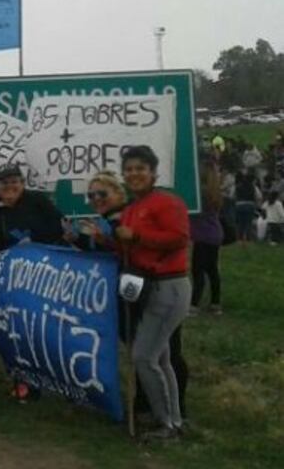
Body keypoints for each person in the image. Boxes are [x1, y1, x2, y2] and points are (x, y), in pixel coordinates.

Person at [115, 145, 191, 441]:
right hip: (148, 286)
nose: (134, 174)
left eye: (140, 168)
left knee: (143, 356)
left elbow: (179, 237)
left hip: (168, 285)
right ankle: (173, 419)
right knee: (159, 358)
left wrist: (137, 235)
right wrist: (106, 239)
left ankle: (167, 425)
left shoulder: (166, 202)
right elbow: (131, 247)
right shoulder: (133, 208)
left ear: (153, 172)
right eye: (129, 169)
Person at [0, 163, 65, 402]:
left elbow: (58, 228)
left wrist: (34, 242)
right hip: (15, 281)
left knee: (49, 330)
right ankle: (27, 383)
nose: (10, 186)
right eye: (5, 182)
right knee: (21, 332)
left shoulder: (38, 201)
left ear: (23, 183)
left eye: (15, 181)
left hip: (45, 275)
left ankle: (61, 380)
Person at [190, 160, 225, 316]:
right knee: (212, 270)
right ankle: (215, 303)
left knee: (198, 270)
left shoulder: (201, 192)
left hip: (203, 235)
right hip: (214, 234)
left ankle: (194, 304)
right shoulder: (215, 191)